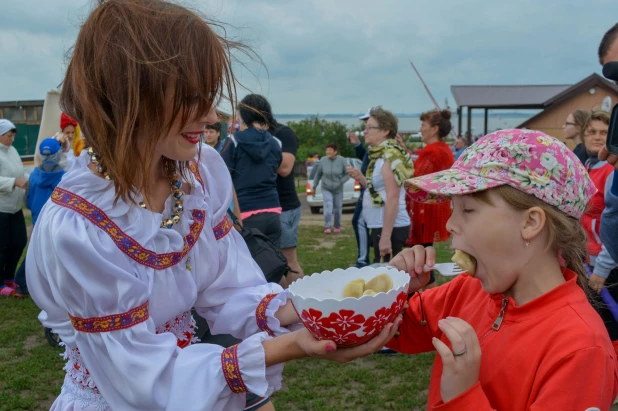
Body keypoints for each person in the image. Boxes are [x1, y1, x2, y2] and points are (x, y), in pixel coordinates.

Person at [25, 2, 401, 410]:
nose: (209, 115)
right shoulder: (78, 227)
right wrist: (290, 347)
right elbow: (140, 378)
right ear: (129, 94)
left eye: (208, 95)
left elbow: (226, 290)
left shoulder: (197, 173)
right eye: (191, 96)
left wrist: (331, 307)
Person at [387, 128, 618, 409]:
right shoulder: (466, 290)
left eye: (468, 210)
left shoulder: (580, 348)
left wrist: (463, 396)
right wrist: (394, 291)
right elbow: (394, 331)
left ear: (531, 223)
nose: (449, 225)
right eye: (452, 209)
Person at [348, 106, 414, 264]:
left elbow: (392, 198)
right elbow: (376, 190)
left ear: (385, 130)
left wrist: (385, 238)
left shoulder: (391, 156)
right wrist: (361, 178)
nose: (365, 131)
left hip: (391, 228)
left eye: (370, 127)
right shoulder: (380, 155)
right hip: (382, 224)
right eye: (365, 127)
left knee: (389, 280)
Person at [222, 95, 283, 253]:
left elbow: (222, 177)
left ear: (243, 115)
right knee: (272, 266)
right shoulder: (275, 143)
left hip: (245, 212)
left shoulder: (233, 141)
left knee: (248, 268)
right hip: (273, 211)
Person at [405, 109, 455, 288]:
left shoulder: (432, 151)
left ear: (434, 129)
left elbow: (417, 180)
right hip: (436, 209)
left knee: (422, 258)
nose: (420, 129)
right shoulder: (444, 149)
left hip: (425, 211)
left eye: (423, 125)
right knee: (425, 253)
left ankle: (426, 296)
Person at [13, 138, 66, 298]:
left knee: (36, 250)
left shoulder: (34, 174)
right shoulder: (62, 176)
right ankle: (26, 284)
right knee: (52, 252)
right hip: (56, 219)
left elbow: (28, 199)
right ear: (58, 153)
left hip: (38, 217)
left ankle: (23, 284)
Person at [262, 96, 305, 283]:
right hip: (263, 207)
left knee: (288, 261)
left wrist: (261, 147)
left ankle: (300, 307)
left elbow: (285, 168)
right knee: (270, 264)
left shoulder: (283, 133)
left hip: (285, 206)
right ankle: (281, 306)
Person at [0, 119, 28, 297]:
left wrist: (30, 179)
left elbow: (20, 172)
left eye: (13, 136)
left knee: (19, 242)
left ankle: (9, 277)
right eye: (8, 136)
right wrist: (14, 182)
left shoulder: (13, 151)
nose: (12, 139)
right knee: (2, 247)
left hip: (15, 207)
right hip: (1, 208)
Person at [311, 143, 350, 234]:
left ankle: (337, 226)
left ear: (335, 152)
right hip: (326, 187)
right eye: (327, 150)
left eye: (330, 150)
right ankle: (327, 226)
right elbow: (318, 174)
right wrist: (314, 187)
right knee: (328, 205)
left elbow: (348, 174)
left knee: (337, 208)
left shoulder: (342, 160)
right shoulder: (323, 160)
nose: (328, 152)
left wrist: (340, 181)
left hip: (338, 189)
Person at [348, 129, 371, 268]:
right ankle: (364, 259)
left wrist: (361, 178)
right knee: (359, 222)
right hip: (367, 193)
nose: (366, 130)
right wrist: (357, 145)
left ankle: (363, 260)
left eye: (370, 126)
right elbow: (365, 158)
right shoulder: (373, 148)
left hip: (370, 194)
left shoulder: (382, 149)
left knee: (359, 222)